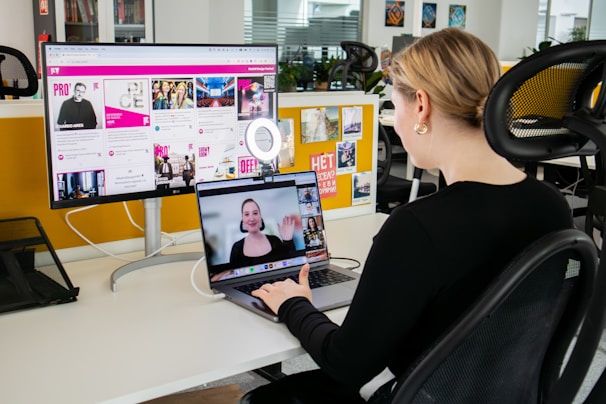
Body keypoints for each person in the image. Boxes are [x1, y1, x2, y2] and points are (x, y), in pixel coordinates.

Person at [243, 28, 573, 403]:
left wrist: (293, 303)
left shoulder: (418, 227)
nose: (396, 123)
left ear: (421, 106)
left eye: (394, 107)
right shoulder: (552, 205)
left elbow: (347, 363)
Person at [229, 198, 296, 269]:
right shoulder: (236, 248)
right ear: (242, 219)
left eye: (255, 213)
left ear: (260, 216)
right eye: (246, 214)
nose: (251, 218)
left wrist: (288, 240)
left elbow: (291, 267)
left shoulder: (275, 240)